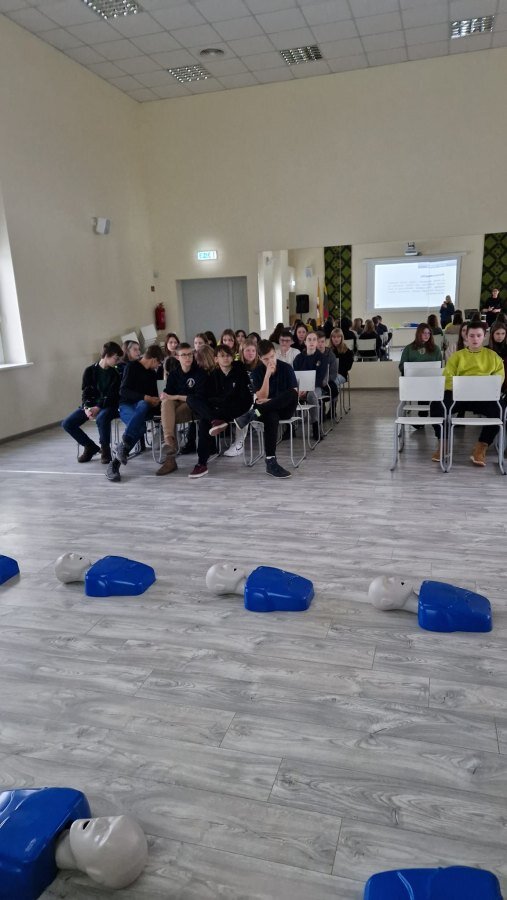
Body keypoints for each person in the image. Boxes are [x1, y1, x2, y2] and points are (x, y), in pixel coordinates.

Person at [430, 321, 504, 466]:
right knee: (436, 406)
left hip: (483, 396)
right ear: (466, 336)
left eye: (478, 335)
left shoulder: (493, 356)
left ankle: (481, 446)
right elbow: (448, 378)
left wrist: (481, 387)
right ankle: (443, 444)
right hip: (459, 395)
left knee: (499, 410)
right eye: (472, 335)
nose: (475, 339)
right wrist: (463, 387)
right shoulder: (457, 356)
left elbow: (498, 378)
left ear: (484, 336)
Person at [185, 344, 252, 478]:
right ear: (216, 359)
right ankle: (202, 463)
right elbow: (209, 397)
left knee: (207, 417)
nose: (225, 358)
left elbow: (244, 397)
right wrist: (216, 406)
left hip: (237, 408)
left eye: (228, 355)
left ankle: (216, 420)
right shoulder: (213, 375)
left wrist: (220, 402)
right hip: (218, 411)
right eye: (222, 356)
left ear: (232, 357)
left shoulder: (240, 371)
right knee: (193, 403)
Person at [235, 339, 298, 478]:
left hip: (285, 409)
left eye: (272, 357)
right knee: (271, 416)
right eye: (265, 359)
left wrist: (269, 401)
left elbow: (293, 393)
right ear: (259, 358)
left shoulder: (286, 368)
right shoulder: (257, 371)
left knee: (292, 393)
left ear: (275, 353)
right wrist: (267, 375)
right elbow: (261, 396)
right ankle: (271, 462)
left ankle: (252, 414)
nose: (270, 361)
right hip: (268, 411)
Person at [106, 343, 164, 482]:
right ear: (153, 359)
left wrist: (156, 401)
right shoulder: (131, 367)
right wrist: (145, 397)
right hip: (126, 405)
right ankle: (119, 455)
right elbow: (123, 391)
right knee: (140, 427)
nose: (158, 366)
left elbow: (152, 396)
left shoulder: (152, 374)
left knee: (143, 408)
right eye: (158, 363)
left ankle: (116, 459)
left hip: (142, 408)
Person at [62, 341, 122, 464]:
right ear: (107, 355)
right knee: (67, 423)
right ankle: (90, 446)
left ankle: (105, 449)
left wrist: (98, 408)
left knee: (102, 417)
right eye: (116, 358)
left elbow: (112, 396)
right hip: (91, 405)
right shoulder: (89, 371)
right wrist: (86, 408)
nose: (117, 361)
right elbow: (85, 392)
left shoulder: (115, 374)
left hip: (108, 406)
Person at [156, 342, 206, 476]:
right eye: (184, 355)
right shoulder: (174, 374)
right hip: (176, 405)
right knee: (166, 402)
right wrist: (165, 396)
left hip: (193, 407)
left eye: (190, 354)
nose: (188, 357)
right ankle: (170, 442)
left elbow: (197, 397)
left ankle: (170, 455)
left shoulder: (199, 372)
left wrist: (176, 396)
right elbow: (168, 393)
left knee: (168, 417)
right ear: (177, 357)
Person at [293, 331, 327, 441]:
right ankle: (290, 429)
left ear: (317, 343)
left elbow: (320, 378)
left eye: (314, 340)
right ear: (305, 342)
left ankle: (316, 427)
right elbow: (295, 376)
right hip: (300, 388)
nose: (311, 342)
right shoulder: (298, 358)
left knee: (312, 395)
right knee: (288, 394)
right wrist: (299, 389)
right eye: (309, 339)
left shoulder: (322, 358)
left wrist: (307, 390)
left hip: (315, 388)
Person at [488, 320, 507, 390]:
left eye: (503, 333)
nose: (500, 336)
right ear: (492, 334)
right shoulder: (486, 349)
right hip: (490, 381)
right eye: (497, 333)